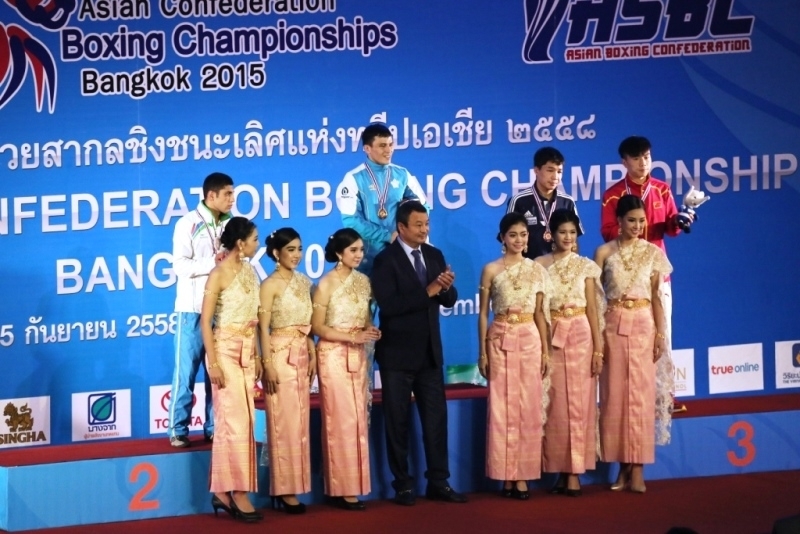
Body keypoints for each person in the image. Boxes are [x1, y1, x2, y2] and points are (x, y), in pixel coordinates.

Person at [370, 200, 466, 506]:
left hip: (430, 354)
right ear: (401, 227)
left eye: (427, 224)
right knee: (397, 423)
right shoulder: (385, 260)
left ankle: (439, 481)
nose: (425, 230)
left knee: (436, 422)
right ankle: (403, 484)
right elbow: (390, 307)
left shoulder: (434, 255)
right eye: (418, 225)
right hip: (397, 356)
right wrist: (428, 291)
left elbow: (448, 300)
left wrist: (446, 288)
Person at [600, 135, 689, 412]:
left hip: (658, 274)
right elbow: (607, 232)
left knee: (664, 333)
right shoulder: (613, 195)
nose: (643, 163)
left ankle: (665, 396)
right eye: (636, 158)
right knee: (626, 338)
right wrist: (634, 230)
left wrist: (680, 220)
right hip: (626, 277)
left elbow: (672, 230)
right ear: (624, 162)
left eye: (647, 157)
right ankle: (632, 395)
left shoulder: (662, 189)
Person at [594, 195, 673, 493]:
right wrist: (596, 340)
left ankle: (637, 468)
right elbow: (595, 299)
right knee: (615, 398)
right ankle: (622, 467)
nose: (638, 226)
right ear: (619, 221)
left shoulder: (653, 253)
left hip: (643, 326)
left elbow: (656, 297)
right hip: (612, 326)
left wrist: (660, 334)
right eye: (631, 220)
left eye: (642, 220)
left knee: (640, 398)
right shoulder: (603, 253)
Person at [477, 212, 552, 500]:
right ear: (502, 238)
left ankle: (522, 476)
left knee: (527, 408)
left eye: (523, 235)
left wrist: (546, 351)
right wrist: (482, 352)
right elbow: (482, 314)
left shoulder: (537, 270)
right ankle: (505, 475)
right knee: (502, 408)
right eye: (512, 235)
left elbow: (541, 314)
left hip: (530, 340)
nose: (519, 240)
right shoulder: (491, 270)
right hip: (499, 339)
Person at [535, 209, 603, 497]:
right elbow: (537, 310)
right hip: (552, 336)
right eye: (562, 232)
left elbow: (593, 309)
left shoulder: (586, 266)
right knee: (556, 406)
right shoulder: (539, 265)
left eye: (572, 232)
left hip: (580, 335)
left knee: (580, 404)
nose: (568, 237)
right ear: (551, 234)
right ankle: (561, 471)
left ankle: (574, 473)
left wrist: (598, 349)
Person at [311, 229, 381, 511]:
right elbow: (318, 327)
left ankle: (355, 485)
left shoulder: (364, 282)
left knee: (358, 420)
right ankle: (339, 488)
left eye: (361, 250)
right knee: (339, 421)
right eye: (353, 250)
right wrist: (352, 336)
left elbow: (365, 319)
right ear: (339, 253)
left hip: (358, 355)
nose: (359, 255)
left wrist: (369, 331)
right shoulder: (326, 283)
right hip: (334, 356)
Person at [200, 217, 262, 523]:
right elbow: (205, 322)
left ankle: (223, 492)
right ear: (240, 243)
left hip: (248, 352)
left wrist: (258, 355)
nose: (257, 244)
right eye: (254, 239)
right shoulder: (218, 275)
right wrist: (212, 363)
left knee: (244, 422)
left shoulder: (251, 271)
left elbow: (256, 318)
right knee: (233, 423)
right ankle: (238, 491)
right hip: (224, 352)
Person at [168, 172, 234, 447]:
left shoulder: (231, 223)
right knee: (186, 373)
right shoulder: (188, 223)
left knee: (216, 372)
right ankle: (177, 428)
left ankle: (213, 427)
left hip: (223, 309)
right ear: (211, 196)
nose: (232, 199)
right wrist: (212, 263)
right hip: (192, 308)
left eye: (232, 193)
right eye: (227, 194)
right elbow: (179, 266)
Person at [257, 228, 316, 514]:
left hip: (302, 355)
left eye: (299, 249)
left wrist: (313, 351)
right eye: (291, 249)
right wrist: (267, 364)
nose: (297, 255)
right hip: (280, 356)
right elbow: (262, 329)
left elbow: (308, 325)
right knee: (283, 423)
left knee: (300, 423)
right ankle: (282, 489)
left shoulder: (305, 282)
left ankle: (295, 485)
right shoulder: (269, 285)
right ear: (275, 253)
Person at [336, 122, 428, 275]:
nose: (389, 150)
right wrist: (387, 235)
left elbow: (423, 208)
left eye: (391, 144)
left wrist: (408, 233)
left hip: (402, 253)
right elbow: (350, 221)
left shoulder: (402, 174)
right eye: (382, 145)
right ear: (367, 148)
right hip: (369, 258)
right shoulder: (353, 178)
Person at [507, 146, 583, 260]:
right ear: (536, 170)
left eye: (559, 171)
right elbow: (508, 239)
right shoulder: (519, 200)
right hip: (529, 267)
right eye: (550, 170)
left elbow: (574, 241)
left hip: (559, 268)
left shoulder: (568, 201)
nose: (555, 177)